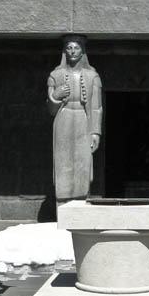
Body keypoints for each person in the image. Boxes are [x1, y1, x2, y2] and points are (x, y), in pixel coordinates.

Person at [47, 35, 102, 202]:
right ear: (64, 51)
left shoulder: (92, 76)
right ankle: (62, 199)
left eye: (76, 48)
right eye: (69, 48)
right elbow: (51, 110)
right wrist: (56, 96)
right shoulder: (55, 75)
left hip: (83, 119)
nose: (72, 51)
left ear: (82, 51)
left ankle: (80, 198)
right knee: (63, 159)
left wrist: (96, 132)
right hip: (63, 119)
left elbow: (96, 107)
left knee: (83, 160)